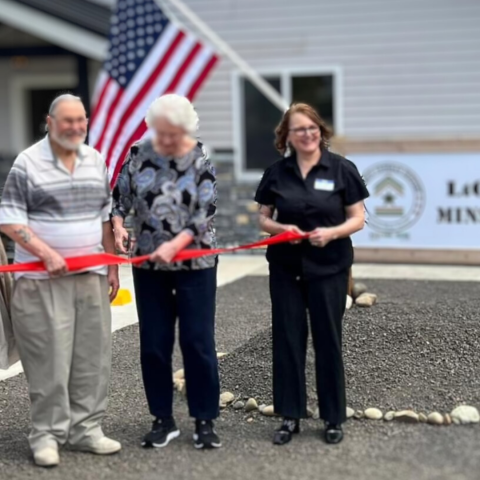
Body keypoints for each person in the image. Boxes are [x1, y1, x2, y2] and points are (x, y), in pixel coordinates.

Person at [0, 94, 121, 467]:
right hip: (41, 280)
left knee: (91, 357)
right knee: (48, 359)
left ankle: (86, 430)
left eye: (81, 120)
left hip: (90, 276)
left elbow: (104, 218)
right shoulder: (28, 163)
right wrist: (46, 253)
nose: (75, 127)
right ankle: (46, 435)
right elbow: (9, 220)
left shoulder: (95, 160)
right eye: (67, 121)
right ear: (49, 123)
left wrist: (113, 265)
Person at [254, 103, 369, 445]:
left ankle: (333, 417)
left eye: (311, 128)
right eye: (298, 129)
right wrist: (280, 227)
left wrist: (331, 233)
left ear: (320, 130)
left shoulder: (342, 169)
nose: (306, 134)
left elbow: (358, 218)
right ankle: (290, 415)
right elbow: (263, 218)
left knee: (327, 339)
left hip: (329, 267)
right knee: (287, 339)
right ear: (286, 136)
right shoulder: (276, 172)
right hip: (286, 268)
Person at [111, 94, 221, 450]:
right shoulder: (138, 153)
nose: (167, 141)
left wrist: (176, 244)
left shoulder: (201, 156)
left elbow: (205, 211)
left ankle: (204, 419)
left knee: (197, 340)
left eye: (174, 134)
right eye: (161, 133)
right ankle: (163, 418)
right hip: (150, 263)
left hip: (195, 262)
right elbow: (119, 200)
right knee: (155, 343)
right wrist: (118, 227)